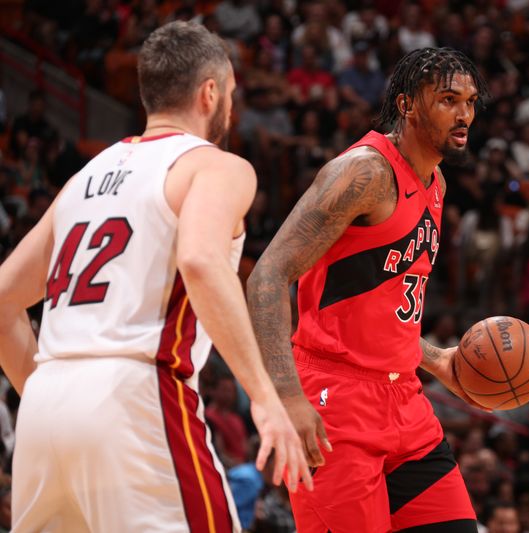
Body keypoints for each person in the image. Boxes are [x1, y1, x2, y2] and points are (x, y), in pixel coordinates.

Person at [0, 21, 310, 532]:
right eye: (231, 95)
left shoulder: (83, 177)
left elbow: (6, 300)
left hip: (44, 408)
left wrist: (48, 393)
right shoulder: (216, 167)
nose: (231, 109)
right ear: (211, 93)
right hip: (135, 396)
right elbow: (201, 261)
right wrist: (264, 398)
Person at [247, 47, 491, 531]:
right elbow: (267, 276)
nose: (463, 114)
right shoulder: (363, 173)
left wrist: (436, 359)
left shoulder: (436, 182)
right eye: (447, 99)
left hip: (406, 404)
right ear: (406, 106)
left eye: (470, 101)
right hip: (334, 404)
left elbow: (376, 310)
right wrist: (287, 397)